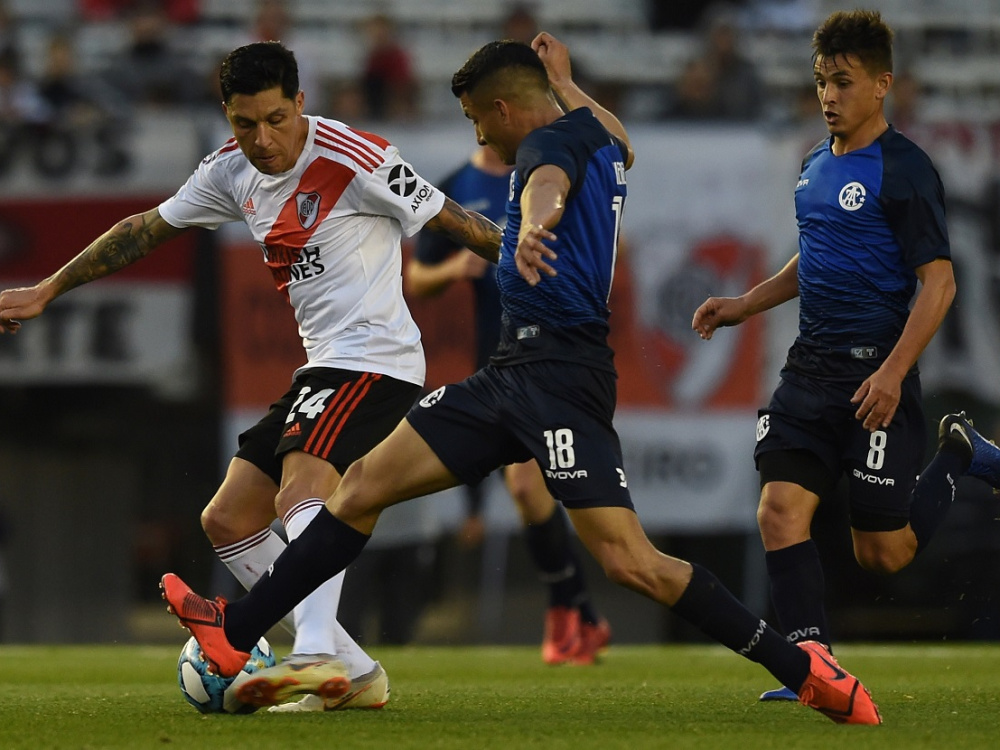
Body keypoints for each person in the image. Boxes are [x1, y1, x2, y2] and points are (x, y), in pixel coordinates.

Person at [161, 33, 882, 725]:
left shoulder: (543, 149)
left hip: (562, 381)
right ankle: (237, 629)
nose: (481, 137)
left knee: (633, 563)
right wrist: (566, 84)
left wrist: (535, 223)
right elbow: (623, 142)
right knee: (358, 489)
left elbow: (546, 184)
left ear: (504, 109)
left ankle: (805, 672)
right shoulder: (595, 134)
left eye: (478, 119)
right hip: (507, 374)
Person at [0, 41, 502, 712]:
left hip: (375, 359)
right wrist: (47, 290)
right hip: (322, 364)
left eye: (275, 119)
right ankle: (355, 673)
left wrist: (536, 261)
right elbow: (144, 229)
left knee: (302, 484)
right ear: (227, 115)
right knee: (229, 518)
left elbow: (458, 221)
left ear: (300, 103)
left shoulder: (357, 157)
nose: (262, 139)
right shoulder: (229, 171)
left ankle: (315, 653)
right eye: (244, 123)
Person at [691, 9, 1000, 703]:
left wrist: (891, 372)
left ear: (882, 84)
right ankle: (813, 668)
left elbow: (940, 284)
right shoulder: (813, 165)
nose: (828, 95)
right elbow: (819, 259)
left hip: (873, 377)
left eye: (843, 81)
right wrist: (744, 303)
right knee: (778, 511)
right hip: (809, 371)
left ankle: (959, 454)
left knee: (882, 552)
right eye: (821, 81)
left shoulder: (905, 169)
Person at [405, 143, 610, 665]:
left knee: (557, 488)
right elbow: (417, 278)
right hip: (501, 359)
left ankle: (575, 613)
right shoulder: (455, 186)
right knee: (527, 486)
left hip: (562, 353)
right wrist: (455, 267)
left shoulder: (550, 171)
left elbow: (614, 242)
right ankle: (576, 614)